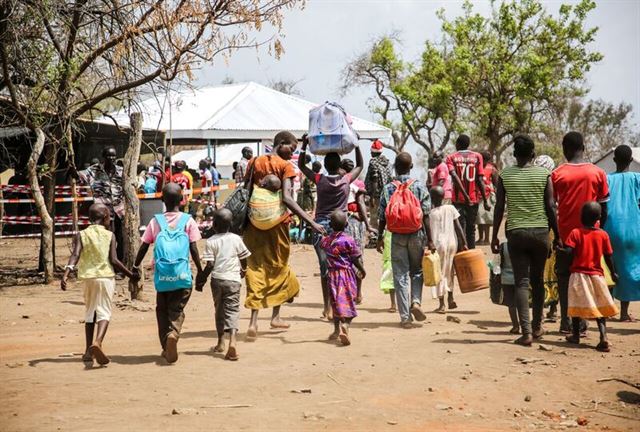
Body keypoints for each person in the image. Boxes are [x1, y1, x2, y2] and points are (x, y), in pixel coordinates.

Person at [243, 131, 324, 339]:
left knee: (256, 267)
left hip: (253, 223)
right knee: (278, 266)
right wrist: (311, 221)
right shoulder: (285, 167)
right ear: (281, 144)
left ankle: (253, 322)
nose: (292, 154)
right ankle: (275, 317)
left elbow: (245, 191)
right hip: (277, 224)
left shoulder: (254, 162)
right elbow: (287, 199)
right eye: (292, 149)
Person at [492, 135, 560, 346]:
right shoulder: (544, 174)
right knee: (537, 281)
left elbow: (499, 207)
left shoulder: (505, 175)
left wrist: (494, 235)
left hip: (516, 233)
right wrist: (557, 235)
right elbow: (550, 206)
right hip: (540, 233)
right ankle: (538, 326)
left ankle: (526, 332)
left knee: (521, 281)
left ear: (514, 154)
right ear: (533, 154)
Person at [131, 183, 203, 363]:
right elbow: (194, 249)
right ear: (182, 199)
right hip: (182, 276)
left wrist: (135, 266)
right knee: (176, 309)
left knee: (162, 310)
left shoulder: (155, 221)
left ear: (162, 200)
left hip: (162, 277)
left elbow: (144, 246)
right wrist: (201, 271)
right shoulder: (188, 220)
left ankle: (165, 346)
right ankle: (173, 333)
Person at [298, 137, 363, 320]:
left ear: (325, 165)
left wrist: (304, 145)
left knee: (325, 268)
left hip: (321, 228)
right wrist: (356, 144)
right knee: (344, 266)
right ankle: (343, 302)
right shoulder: (346, 179)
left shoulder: (319, 179)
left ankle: (327, 307)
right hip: (342, 227)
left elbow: (302, 166)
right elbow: (360, 165)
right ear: (339, 165)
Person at [60, 203, 133, 365]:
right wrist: (131, 275)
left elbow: (75, 254)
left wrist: (66, 273)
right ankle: (98, 342)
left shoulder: (82, 234)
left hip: (87, 278)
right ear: (106, 218)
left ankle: (87, 351)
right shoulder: (110, 235)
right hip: (105, 277)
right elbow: (114, 260)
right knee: (104, 312)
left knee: (90, 312)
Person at [551, 131, 609, 334]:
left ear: (564, 149)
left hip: (566, 238)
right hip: (591, 240)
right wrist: (599, 233)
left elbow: (551, 206)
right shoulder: (598, 173)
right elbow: (604, 209)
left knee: (566, 279)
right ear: (583, 148)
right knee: (590, 279)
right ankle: (585, 322)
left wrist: (556, 235)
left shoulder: (557, 174)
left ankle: (567, 322)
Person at [377, 152, 434, 328]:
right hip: (416, 234)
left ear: (394, 166)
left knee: (400, 274)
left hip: (396, 235)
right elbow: (426, 215)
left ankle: (405, 318)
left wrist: (380, 237)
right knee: (416, 271)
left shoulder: (388, 188)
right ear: (411, 167)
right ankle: (416, 301)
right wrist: (430, 240)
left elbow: (382, 216)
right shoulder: (419, 186)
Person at [196, 208, 251, 361]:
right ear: (231, 224)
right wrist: (244, 269)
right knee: (232, 310)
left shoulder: (211, 241)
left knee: (219, 310)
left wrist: (201, 279)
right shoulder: (236, 239)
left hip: (217, 280)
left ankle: (221, 342)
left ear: (213, 225)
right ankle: (233, 341)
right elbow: (244, 257)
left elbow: (210, 265)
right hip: (233, 280)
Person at [563, 202, 618, 352]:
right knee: (600, 306)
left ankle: (575, 335)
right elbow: (609, 256)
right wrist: (613, 273)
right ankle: (603, 336)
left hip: (579, 274)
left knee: (575, 306)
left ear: (581, 217)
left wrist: (566, 264)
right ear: (599, 218)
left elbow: (568, 251)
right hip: (597, 275)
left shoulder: (575, 233)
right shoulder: (603, 234)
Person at [603, 145, 640, 322]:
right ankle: (624, 313)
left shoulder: (606, 179)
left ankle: (610, 308)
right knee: (629, 269)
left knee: (611, 269)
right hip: (634, 231)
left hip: (610, 230)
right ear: (631, 160)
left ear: (614, 160)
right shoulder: (637, 179)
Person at [320, 210, 366, 346]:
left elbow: (323, 244)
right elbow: (356, 258)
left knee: (335, 303)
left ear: (330, 224)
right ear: (346, 224)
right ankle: (345, 325)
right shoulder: (348, 240)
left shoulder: (327, 241)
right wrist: (362, 270)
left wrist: (325, 235)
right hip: (346, 275)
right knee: (349, 302)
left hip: (332, 276)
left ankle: (335, 330)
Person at [77, 146, 125, 261]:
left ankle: (119, 265)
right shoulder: (93, 170)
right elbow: (79, 177)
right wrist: (72, 170)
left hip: (119, 211)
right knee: (105, 239)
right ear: (103, 157)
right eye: (109, 155)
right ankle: (107, 263)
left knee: (121, 239)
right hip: (103, 212)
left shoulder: (121, 171)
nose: (111, 158)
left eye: (113, 156)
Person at [341, 158, 377, 304]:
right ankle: (358, 293)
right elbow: (361, 203)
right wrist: (367, 224)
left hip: (343, 222)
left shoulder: (338, 181)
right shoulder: (358, 184)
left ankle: (347, 292)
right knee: (357, 256)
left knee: (344, 258)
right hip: (356, 222)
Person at [446, 134, 490, 249]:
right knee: (471, 229)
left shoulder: (451, 157)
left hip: (458, 200)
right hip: (473, 199)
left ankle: (461, 254)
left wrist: (465, 195)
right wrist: (485, 201)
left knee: (459, 228)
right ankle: (471, 255)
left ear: (458, 144)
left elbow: (454, 177)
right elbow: (480, 180)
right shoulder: (477, 157)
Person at [428, 186, 468, 313]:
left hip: (438, 245)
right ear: (443, 196)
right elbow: (458, 227)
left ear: (432, 198)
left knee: (439, 273)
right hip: (452, 244)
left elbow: (428, 232)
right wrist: (464, 243)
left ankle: (442, 304)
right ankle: (451, 298)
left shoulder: (431, 213)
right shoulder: (451, 208)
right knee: (450, 270)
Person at [364, 139, 392, 230]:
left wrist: (371, 197)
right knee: (385, 219)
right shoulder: (387, 163)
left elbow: (374, 180)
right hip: (387, 196)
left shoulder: (373, 162)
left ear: (372, 152)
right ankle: (384, 240)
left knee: (374, 220)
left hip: (376, 196)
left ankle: (376, 240)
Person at [477, 151, 497, 245]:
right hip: (479, 195)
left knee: (487, 217)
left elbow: (496, 182)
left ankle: (487, 239)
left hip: (489, 195)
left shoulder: (492, 169)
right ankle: (481, 238)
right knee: (479, 217)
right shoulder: (477, 167)